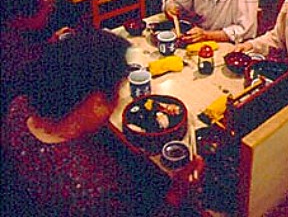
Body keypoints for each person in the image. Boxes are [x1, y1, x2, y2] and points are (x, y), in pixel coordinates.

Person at [2, 27, 203, 216]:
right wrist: (177, 192)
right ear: (96, 101)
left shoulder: (18, 109)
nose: (116, 101)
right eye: (115, 91)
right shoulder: (89, 188)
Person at [0, 0, 56, 118]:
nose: (49, 4)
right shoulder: (12, 61)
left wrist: (49, 44)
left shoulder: (11, 31)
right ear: (21, 11)